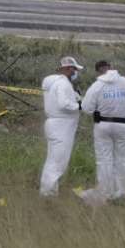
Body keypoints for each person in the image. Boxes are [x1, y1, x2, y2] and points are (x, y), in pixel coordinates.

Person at [80, 60, 125, 201]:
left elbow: (87, 108)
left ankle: (105, 192)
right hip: (124, 124)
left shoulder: (97, 85)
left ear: (98, 71)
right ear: (111, 68)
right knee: (122, 159)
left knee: (104, 160)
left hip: (103, 125)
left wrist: (101, 108)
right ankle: (123, 192)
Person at [39, 56, 84, 197]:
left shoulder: (55, 83)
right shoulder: (63, 84)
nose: (76, 72)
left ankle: (50, 191)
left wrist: (77, 98)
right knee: (58, 162)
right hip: (62, 125)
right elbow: (64, 104)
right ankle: (48, 194)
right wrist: (81, 106)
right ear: (69, 69)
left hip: (55, 124)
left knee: (53, 160)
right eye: (75, 69)